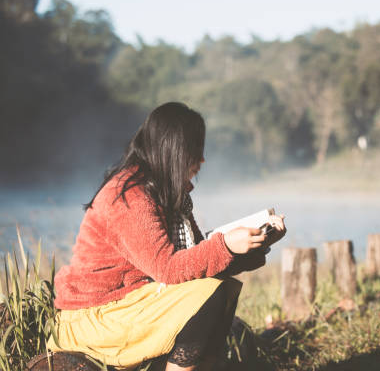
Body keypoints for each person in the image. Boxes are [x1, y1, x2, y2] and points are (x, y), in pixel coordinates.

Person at [47, 102, 286, 371]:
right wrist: (226, 245)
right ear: (175, 151)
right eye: (196, 151)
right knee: (210, 293)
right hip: (95, 317)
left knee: (222, 287)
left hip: (133, 304)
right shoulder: (128, 195)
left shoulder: (169, 194)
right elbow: (169, 268)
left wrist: (253, 245)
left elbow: (198, 259)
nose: (202, 161)